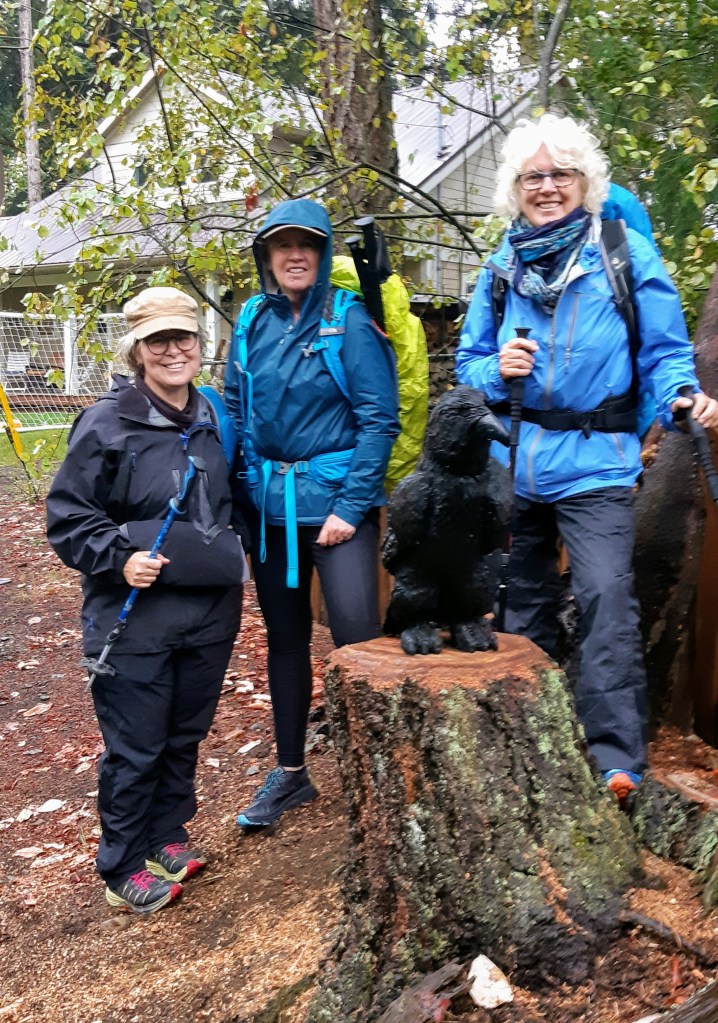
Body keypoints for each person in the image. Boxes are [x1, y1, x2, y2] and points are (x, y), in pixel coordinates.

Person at [455, 113, 718, 805]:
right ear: (515, 188)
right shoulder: (502, 267)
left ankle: (613, 757)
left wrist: (682, 394)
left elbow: (664, 351)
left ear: (585, 181)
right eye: (533, 177)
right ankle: (526, 747)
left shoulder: (621, 254)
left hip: (597, 459)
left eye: (561, 174)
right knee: (520, 604)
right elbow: (468, 363)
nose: (547, 187)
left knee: (605, 596)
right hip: (518, 456)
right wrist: (494, 370)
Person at [46, 286, 247, 913]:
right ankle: (123, 863)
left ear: (199, 343)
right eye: (157, 340)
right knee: (136, 745)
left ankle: (165, 835)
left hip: (209, 611)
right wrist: (119, 556)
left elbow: (229, 500)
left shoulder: (213, 415)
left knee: (184, 734)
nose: (172, 350)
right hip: (133, 617)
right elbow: (68, 516)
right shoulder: (105, 423)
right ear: (137, 350)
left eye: (182, 337)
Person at [224, 198, 400, 828]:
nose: (295, 255)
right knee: (286, 641)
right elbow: (235, 408)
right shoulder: (251, 320)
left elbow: (380, 419)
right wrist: (241, 492)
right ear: (267, 255)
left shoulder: (347, 320)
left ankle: (382, 775)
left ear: (323, 254)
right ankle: (292, 773)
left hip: (338, 513)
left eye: (307, 245)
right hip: (272, 511)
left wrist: (350, 508)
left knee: (357, 639)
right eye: (283, 245)